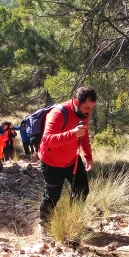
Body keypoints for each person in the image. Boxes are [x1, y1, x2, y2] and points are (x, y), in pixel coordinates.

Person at [38, 86, 97, 222]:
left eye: (92, 108)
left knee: (82, 190)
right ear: (76, 102)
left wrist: (88, 157)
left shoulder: (84, 114)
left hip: (72, 160)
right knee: (52, 197)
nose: (89, 112)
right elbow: (46, 141)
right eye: (87, 108)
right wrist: (73, 134)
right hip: (52, 163)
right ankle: (44, 225)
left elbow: (84, 136)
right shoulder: (58, 113)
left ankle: (73, 221)